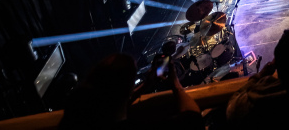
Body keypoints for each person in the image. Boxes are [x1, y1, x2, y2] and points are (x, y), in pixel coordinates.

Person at [59, 54, 202, 130]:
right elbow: (193, 120)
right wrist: (175, 84)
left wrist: (146, 85)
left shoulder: (77, 112)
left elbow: (116, 103)